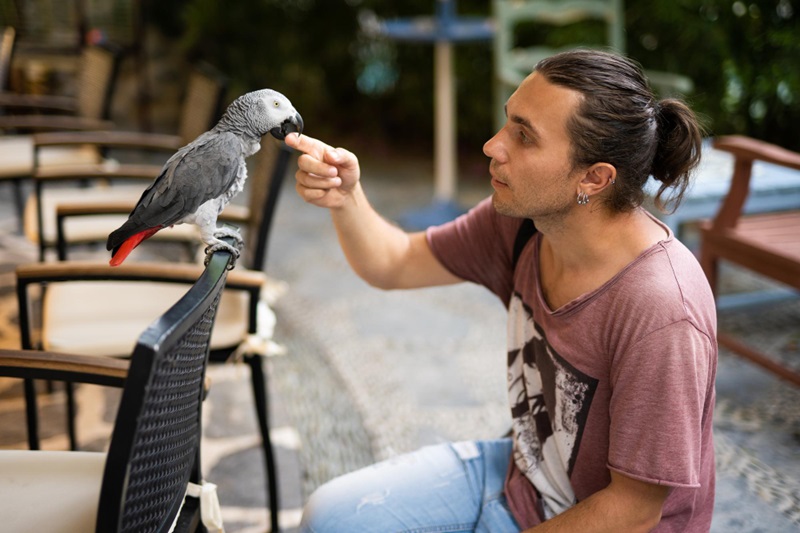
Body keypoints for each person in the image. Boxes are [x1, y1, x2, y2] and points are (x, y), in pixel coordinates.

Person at [285, 49, 717, 532]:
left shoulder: (662, 310)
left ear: (594, 179)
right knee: (331, 517)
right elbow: (395, 263)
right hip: (520, 480)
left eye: (524, 136)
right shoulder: (523, 225)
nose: (493, 145)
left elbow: (634, 511)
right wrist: (347, 198)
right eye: (507, 122)